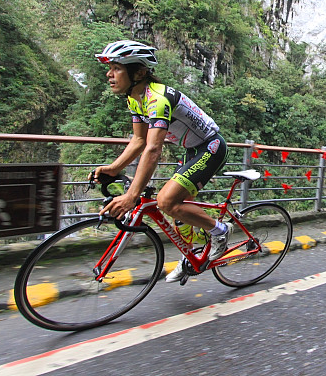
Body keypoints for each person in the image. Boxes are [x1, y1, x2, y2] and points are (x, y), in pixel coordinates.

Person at [90, 40, 229, 284]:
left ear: (139, 72)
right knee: (177, 214)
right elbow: (138, 140)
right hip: (191, 149)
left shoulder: (157, 98)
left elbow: (154, 148)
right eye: (109, 67)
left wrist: (132, 195)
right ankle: (192, 258)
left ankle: (220, 230)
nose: (109, 74)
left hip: (210, 147)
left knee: (166, 201)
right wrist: (113, 169)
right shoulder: (135, 98)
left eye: (116, 68)